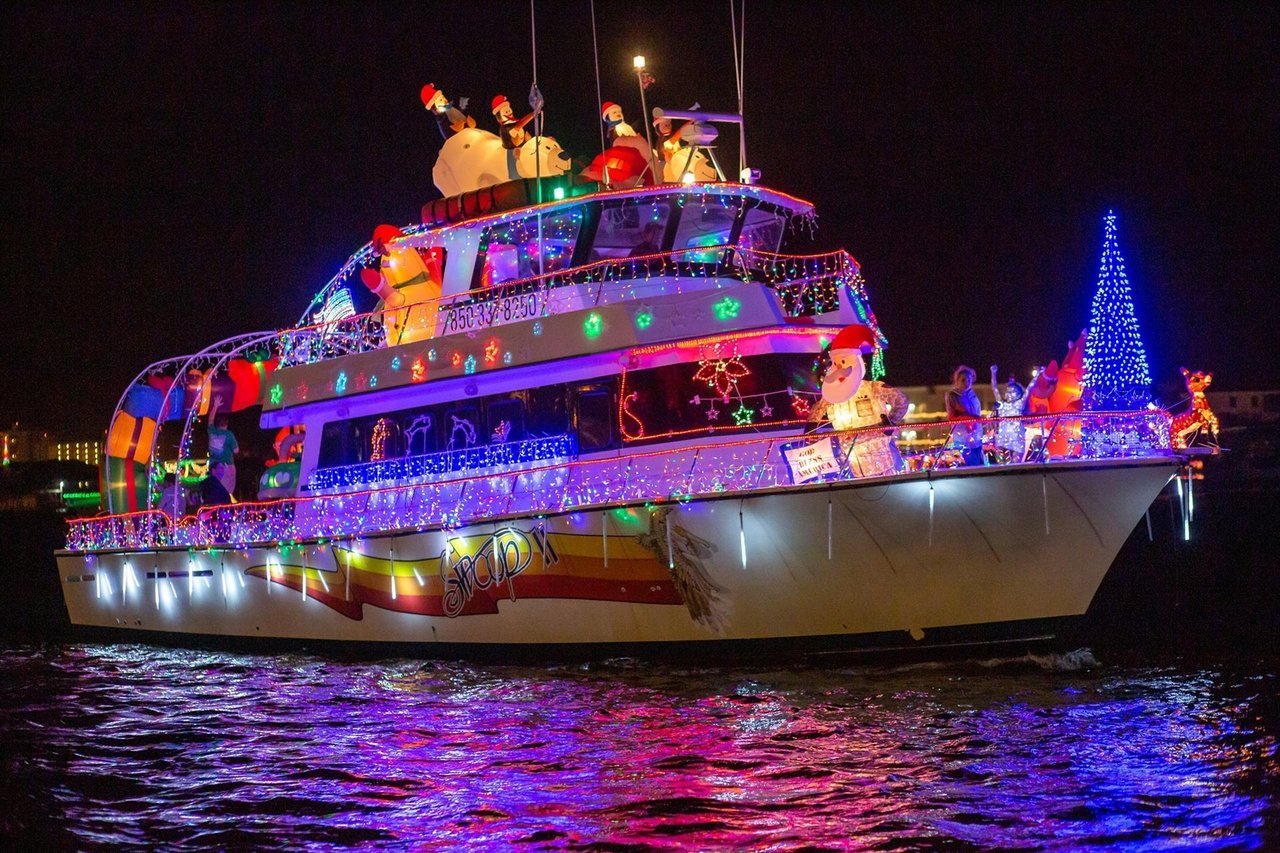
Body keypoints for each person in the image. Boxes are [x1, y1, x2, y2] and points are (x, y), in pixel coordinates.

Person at [945, 365, 984, 465]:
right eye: (963, 380)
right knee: (972, 466)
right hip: (963, 437)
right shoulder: (953, 395)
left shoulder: (972, 394)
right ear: (957, 381)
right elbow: (952, 417)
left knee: (981, 465)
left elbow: (977, 412)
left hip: (977, 436)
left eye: (969, 380)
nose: (967, 383)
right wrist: (971, 418)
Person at [990, 364, 1029, 462]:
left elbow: (1029, 390)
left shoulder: (1019, 404)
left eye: (1012, 392)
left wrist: (1037, 375)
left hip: (1017, 435)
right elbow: (994, 388)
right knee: (1002, 463)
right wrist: (993, 373)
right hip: (1002, 435)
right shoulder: (1002, 403)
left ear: (1019, 394)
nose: (1009, 394)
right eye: (1008, 392)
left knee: (1016, 463)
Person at [207, 395, 239, 498]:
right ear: (226, 424)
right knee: (226, 493)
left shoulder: (211, 430)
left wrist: (215, 406)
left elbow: (210, 419)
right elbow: (236, 450)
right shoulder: (229, 434)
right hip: (226, 467)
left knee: (215, 490)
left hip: (213, 466)